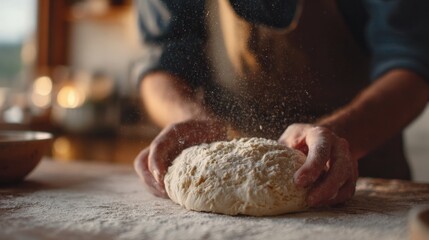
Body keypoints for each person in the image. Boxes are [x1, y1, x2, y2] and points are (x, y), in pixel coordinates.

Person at [133, 0, 429, 207]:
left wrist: (335, 134)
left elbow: (412, 64)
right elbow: (162, 60)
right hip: (224, 163)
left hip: (363, 182)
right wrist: (189, 118)